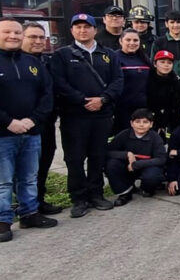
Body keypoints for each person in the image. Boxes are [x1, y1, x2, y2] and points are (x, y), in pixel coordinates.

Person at [0, 17, 57, 242]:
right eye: (7, 32)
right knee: (2, 180)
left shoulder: (33, 63)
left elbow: (47, 95)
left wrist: (32, 120)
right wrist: (9, 122)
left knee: (29, 177)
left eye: (17, 33)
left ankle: (29, 214)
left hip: (31, 132)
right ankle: (3, 221)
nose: (13, 36)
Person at [50, 13, 124, 218]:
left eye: (86, 27)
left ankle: (96, 194)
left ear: (95, 29)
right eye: (78, 27)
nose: (82, 30)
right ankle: (79, 198)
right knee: (75, 158)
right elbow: (59, 83)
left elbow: (118, 81)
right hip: (74, 116)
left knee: (97, 156)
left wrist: (103, 100)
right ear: (72, 30)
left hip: (102, 114)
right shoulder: (62, 55)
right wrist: (83, 100)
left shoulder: (108, 54)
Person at [21, 21, 62, 215]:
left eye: (41, 37)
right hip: (23, 125)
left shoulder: (47, 61)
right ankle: (27, 207)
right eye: (32, 37)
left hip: (46, 123)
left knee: (43, 162)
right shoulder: (16, 61)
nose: (38, 41)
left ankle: (38, 200)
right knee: (25, 169)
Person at [105, 108, 166, 205]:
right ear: (131, 123)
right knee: (112, 164)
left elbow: (161, 159)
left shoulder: (155, 137)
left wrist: (137, 164)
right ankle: (125, 192)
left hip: (146, 167)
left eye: (145, 122)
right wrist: (126, 154)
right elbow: (107, 151)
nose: (141, 125)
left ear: (151, 124)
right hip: (127, 168)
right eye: (137, 122)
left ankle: (147, 189)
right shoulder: (124, 134)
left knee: (152, 177)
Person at [113, 28, 150, 136]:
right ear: (121, 41)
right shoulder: (114, 58)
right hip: (121, 110)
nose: (132, 43)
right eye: (128, 40)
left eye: (135, 40)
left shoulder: (144, 58)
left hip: (142, 109)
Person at [151, 10, 180, 79]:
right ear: (166, 24)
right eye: (172, 22)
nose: (175, 25)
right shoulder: (158, 42)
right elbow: (153, 64)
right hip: (167, 82)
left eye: (178, 22)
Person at [147, 50, 179, 136]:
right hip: (149, 118)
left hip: (169, 119)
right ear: (155, 64)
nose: (166, 65)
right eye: (162, 62)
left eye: (169, 63)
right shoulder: (147, 79)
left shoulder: (176, 81)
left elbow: (174, 104)